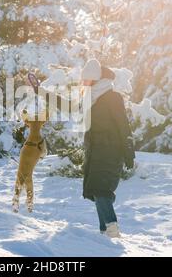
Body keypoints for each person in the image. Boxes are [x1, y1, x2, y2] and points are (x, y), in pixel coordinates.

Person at [35, 59, 135, 238]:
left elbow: (123, 125)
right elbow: (66, 105)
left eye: (86, 80)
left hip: (111, 150)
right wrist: (41, 92)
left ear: (96, 79)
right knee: (96, 189)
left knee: (100, 188)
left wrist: (129, 152)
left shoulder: (112, 97)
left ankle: (111, 229)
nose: (83, 83)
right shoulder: (90, 98)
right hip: (95, 151)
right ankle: (105, 231)